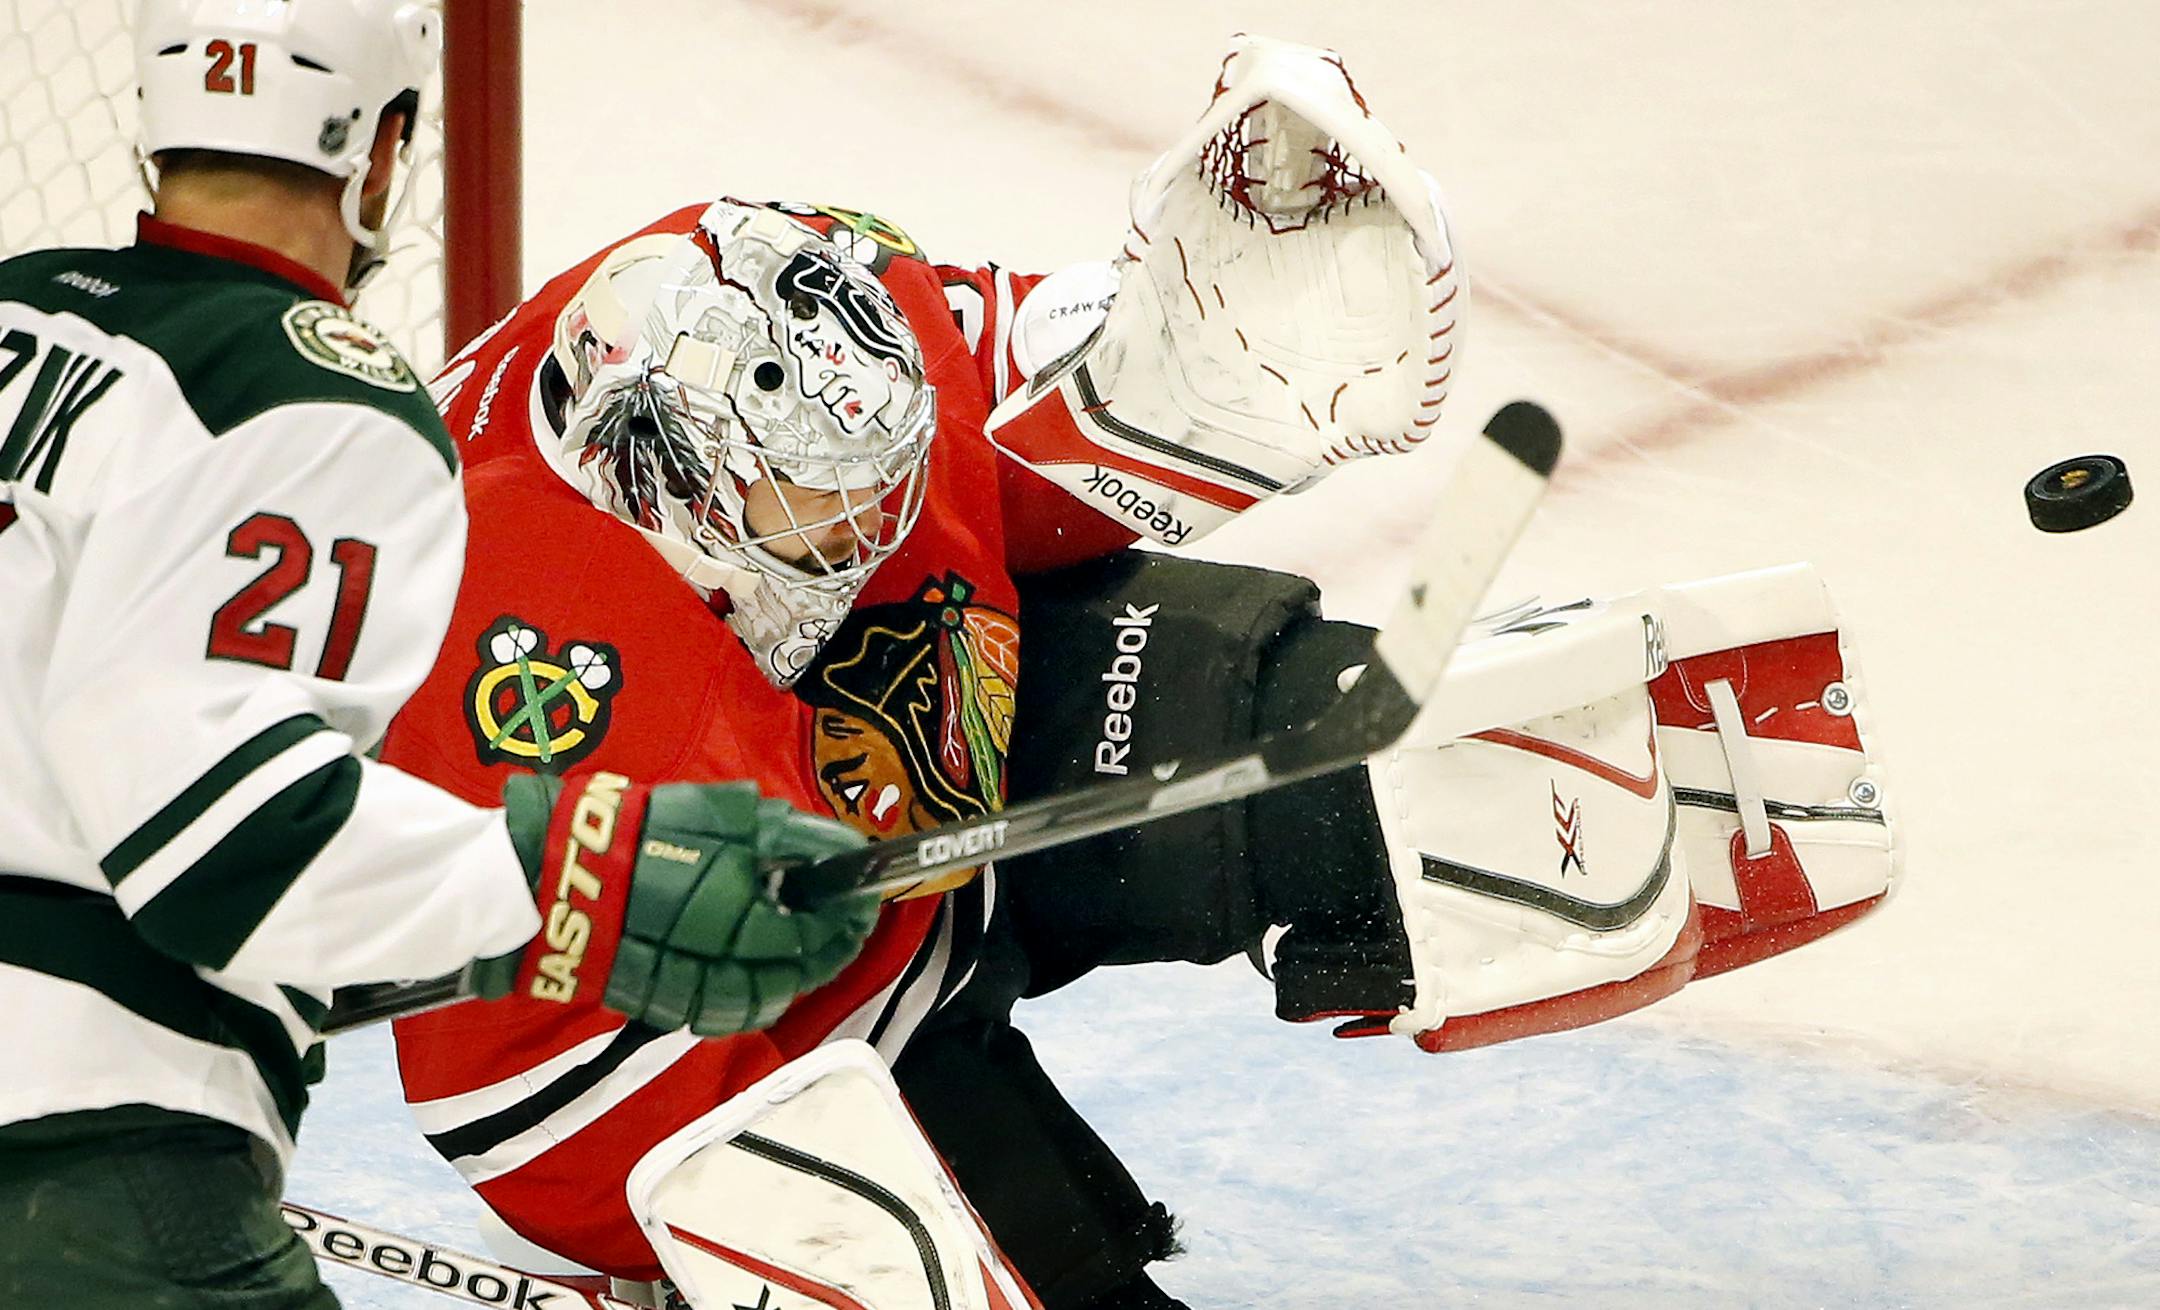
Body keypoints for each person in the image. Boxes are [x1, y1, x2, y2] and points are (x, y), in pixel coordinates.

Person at [383, 38, 1896, 1310]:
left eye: (879, 489)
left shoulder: (832, 312)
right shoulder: (501, 628)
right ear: (668, 494)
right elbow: (452, 1016)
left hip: (921, 806)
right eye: (815, 519)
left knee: (1312, 733)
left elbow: (1048, 414)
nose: (869, 535)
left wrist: (1207, 357)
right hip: (696, 1058)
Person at [0, 4, 875, 1307]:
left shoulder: (20, 306)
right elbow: (217, 838)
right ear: (378, 144)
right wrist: (583, 876)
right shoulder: (317, 398)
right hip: (87, 1158)